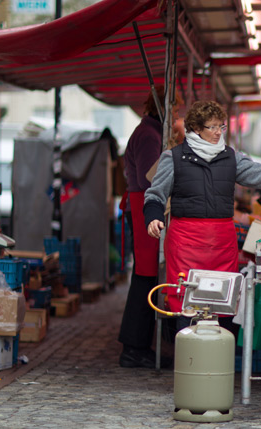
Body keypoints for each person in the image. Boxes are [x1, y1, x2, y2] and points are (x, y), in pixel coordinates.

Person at [144, 100, 261, 333]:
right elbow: (155, 194)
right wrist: (153, 216)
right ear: (195, 128)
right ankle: (189, 361)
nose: (218, 132)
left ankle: (220, 359)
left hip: (221, 242)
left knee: (223, 301)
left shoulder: (231, 157)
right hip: (186, 242)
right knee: (187, 302)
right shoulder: (172, 157)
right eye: (212, 127)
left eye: (221, 127)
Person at [118, 85, 183, 369]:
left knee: (147, 277)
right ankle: (134, 348)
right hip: (144, 207)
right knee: (145, 277)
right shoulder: (148, 134)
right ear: (164, 108)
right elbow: (149, 179)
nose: (177, 114)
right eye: (175, 109)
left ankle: (138, 346)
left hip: (144, 206)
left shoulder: (151, 131)